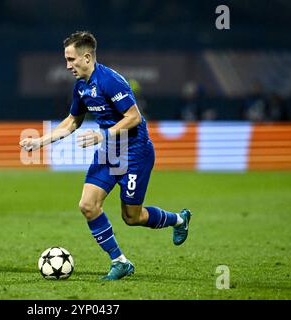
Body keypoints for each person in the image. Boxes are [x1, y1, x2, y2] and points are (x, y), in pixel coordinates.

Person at [20, 31, 192, 280]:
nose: (68, 66)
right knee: (87, 206)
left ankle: (178, 220)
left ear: (87, 57)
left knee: (132, 217)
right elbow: (72, 122)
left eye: (71, 60)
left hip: (135, 153)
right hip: (111, 152)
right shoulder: (80, 87)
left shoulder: (111, 81)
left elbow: (134, 117)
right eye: (66, 60)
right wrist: (40, 141)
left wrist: (103, 135)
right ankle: (120, 261)